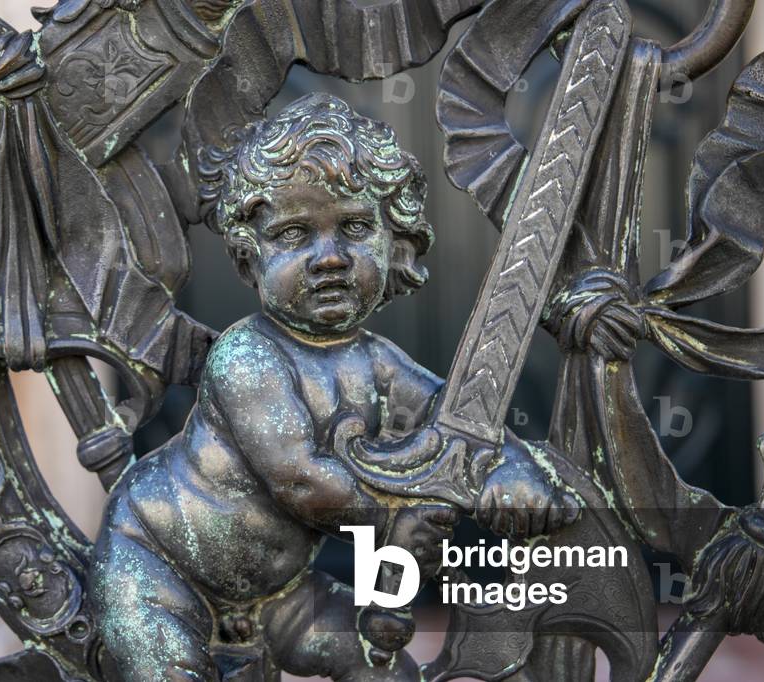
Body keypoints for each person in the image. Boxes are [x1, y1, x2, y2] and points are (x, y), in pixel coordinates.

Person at [89, 93, 579, 681]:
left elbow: (455, 420)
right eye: (295, 233)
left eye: (355, 227)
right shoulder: (247, 357)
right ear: (248, 262)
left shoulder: (378, 363)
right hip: (158, 566)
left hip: (280, 593)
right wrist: (398, 518)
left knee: (381, 670)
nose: (330, 258)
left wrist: (510, 468)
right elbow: (301, 481)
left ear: (395, 242)